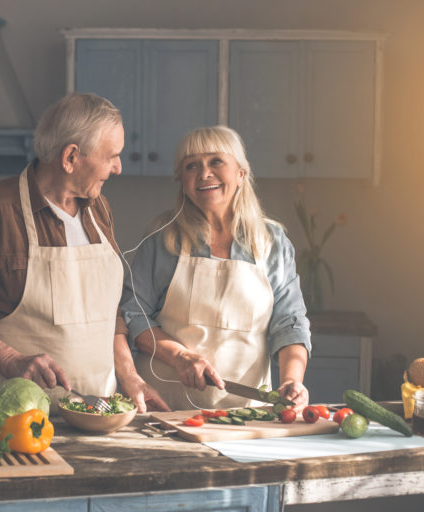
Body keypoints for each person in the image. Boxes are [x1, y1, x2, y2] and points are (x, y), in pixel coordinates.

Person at [0, 93, 168, 413]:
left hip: (97, 414)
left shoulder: (99, 209)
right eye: (111, 156)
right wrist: (10, 360)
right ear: (70, 157)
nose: (118, 168)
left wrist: (130, 376)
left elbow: (108, 314)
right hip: (14, 419)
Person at [119, 125, 311, 411]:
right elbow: (134, 315)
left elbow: (290, 322)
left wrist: (292, 380)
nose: (204, 173)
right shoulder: (162, 239)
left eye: (216, 162)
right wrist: (180, 357)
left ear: (241, 174)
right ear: (182, 180)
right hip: (167, 407)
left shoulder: (272, 241)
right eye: (191, 166)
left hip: (247, 408)